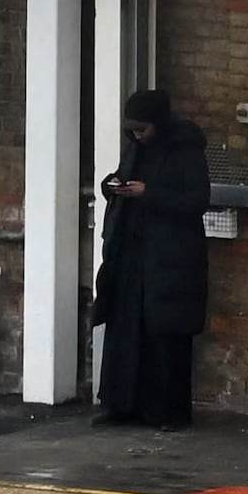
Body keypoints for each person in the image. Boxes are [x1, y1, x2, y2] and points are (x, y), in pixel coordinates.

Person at [95, 89, 213, 427]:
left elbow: (196, 200)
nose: (137, 135)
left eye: (143, 129)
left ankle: (168, 412)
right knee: (126, 329)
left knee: (166, 336)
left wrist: (150, 194)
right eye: (132, 129)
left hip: (171, 257)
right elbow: (121, 175)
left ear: (158, 124)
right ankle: (122, 404)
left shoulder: (185, 150)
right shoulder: (136, 148)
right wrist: (112, 186)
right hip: (133, 254)